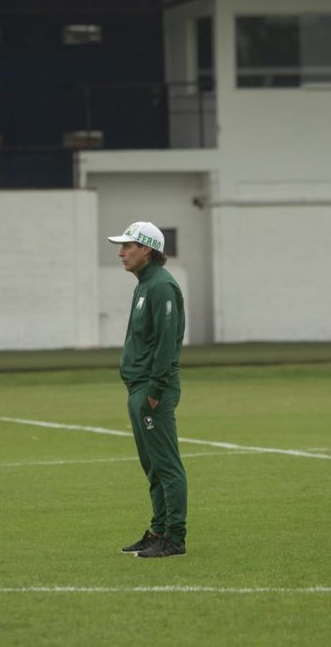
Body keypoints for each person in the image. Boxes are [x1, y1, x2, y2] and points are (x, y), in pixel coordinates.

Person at [107, 221, 188, 558]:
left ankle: (174, 537)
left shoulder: (161, 286)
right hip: (139, 386)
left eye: (128, 246)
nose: (121, 253)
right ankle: (158, 530)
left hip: (153, 389)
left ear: (147, 250)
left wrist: (155, 389)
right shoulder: (145, 285)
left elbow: (167, 343)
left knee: (166, 464)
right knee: (152, 465)